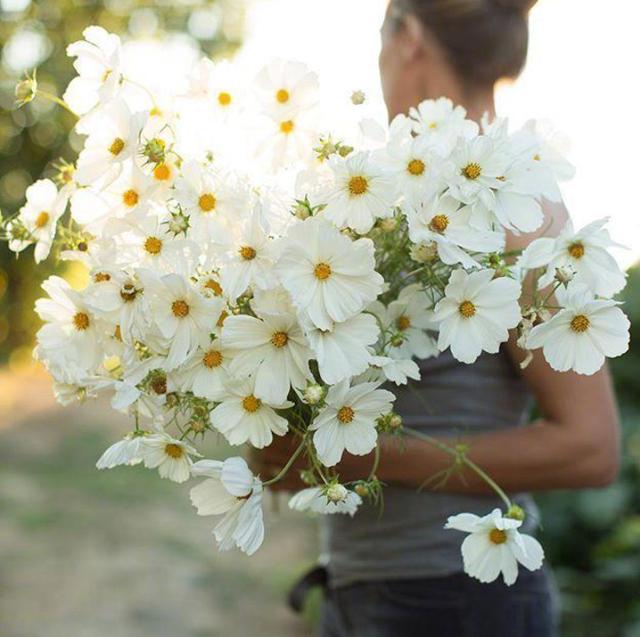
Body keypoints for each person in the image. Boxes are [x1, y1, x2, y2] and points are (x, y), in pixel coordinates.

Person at [255, 1, 621, 635]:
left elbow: (590, 447)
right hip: (364, 587)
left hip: (458, 601)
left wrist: (360, 458)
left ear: (411, 39)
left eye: (378, 42)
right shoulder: (385, 199)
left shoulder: (515, 201)